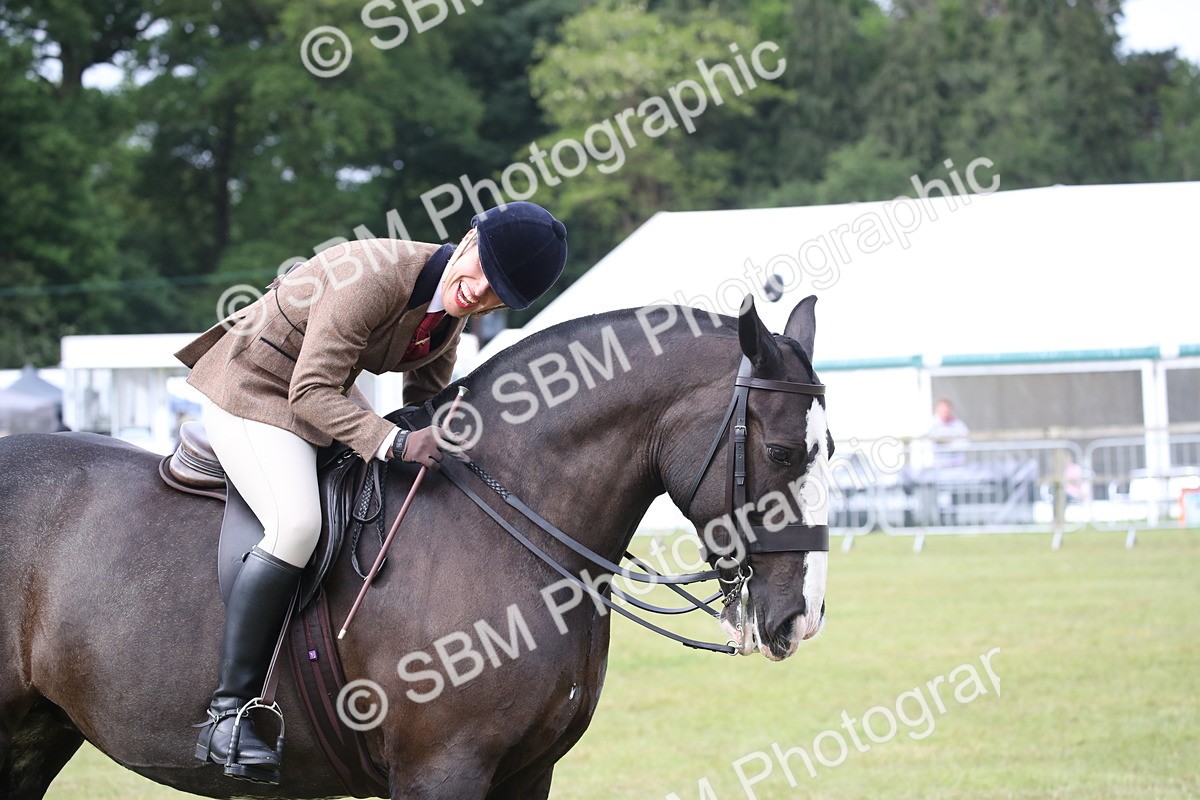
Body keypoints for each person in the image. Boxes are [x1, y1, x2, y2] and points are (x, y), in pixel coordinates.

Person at [175, 201, 567, 784]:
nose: (480, 293)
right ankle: (229, 713)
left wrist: (460, 435)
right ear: (468, 240)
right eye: (483, 271)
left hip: (319, 394)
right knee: (297, 523)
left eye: (497, 295)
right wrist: (394, 443)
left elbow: (427, 392)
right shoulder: (376, 275)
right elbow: (310, 390)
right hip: (255, 389)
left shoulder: (449, 306)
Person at [928, 397, 969, 470]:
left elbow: (966, 442)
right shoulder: (931, 425)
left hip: (957, 466)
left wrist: (950, 444)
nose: (946, 414)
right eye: (943, 411)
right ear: (938, 411)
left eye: (947, 411)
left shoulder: (958, 425)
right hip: (939, 466)